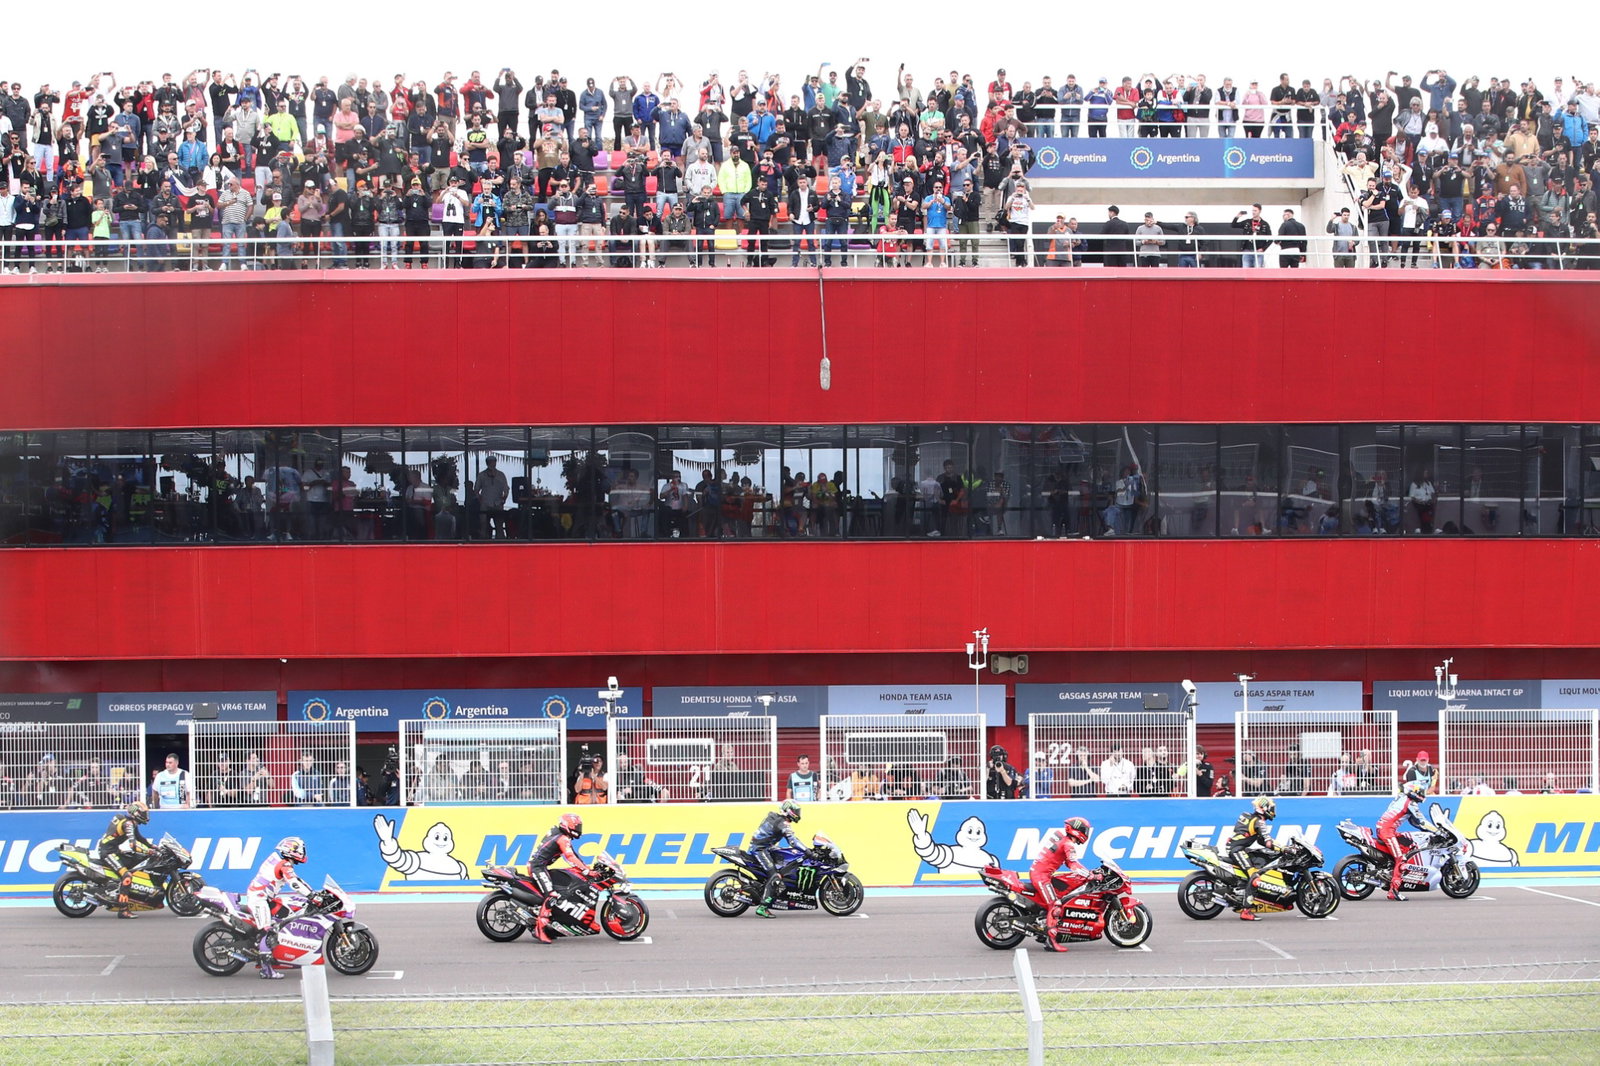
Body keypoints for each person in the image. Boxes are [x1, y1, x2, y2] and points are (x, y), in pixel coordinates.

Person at [247, 836, 310, 979]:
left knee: (285, 917)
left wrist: (312, 893)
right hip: (259, 899)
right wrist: (312, 896)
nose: (303, 852)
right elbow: (294, 884)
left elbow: (297, 880)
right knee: (267, 930)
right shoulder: (284, 864)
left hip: (265, 897)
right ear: (291, 850)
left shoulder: (280, 861)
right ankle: (266, 970)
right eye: (300, 849)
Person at [1029, 816, 1093, 952]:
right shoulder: (1068, 844)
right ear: (1078, 830)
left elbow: (1067, 862)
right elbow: (1074, 865)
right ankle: (1051, 941)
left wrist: (1088, 872)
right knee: (1054, 905)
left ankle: (1043, 929)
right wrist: (1090, 875)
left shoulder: (1062, 839)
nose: (1086, 833)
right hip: (1041, 876)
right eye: (1084, 830)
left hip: (1040, 873)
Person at [527, 812, 592, 943]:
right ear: (568, 826)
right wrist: (586, 871)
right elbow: (570, 857)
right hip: (537, 867)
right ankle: (540, 929)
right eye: (577, 827)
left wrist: (587, 868)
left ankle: (551, 926)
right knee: (552, 895)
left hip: (541, 866)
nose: (579, 830)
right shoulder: (562, 838)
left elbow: (573, 854)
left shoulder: (559, 834)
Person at [1226, 796, 1282, 921]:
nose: (1273, 811)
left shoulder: (1249, 817)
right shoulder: (1259, 822)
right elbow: (1267, 842)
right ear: (1264, 808)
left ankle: (1241, 891)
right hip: (1237, 850)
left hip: (1236, 847)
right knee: (1255, 877)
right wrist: (1283, 849)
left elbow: (1260, 840)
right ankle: (1246, 910)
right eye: (1271, 808)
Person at [1376, 781, 1434, 901]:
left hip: (1383, 828)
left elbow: (1414, 822)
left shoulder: (1400, 798)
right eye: (1420, 792)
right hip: (1387, 831)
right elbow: (1422, 821)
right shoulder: (1410, 803)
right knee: (1401, 859)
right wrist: (1438, 831)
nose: (1422, 794)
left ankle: (1390, 871)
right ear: (1414, 791)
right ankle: (1394, 891)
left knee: (1409, 844)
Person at [97, 799, 153, 918]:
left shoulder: (130, 822)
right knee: (127, 876)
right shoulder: (128, 824)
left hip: (114, 850)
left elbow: (140, 838)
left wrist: (154, 847)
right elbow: (133, 844)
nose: (146, 816)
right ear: (136, 813)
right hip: (108, 853)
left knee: (135, 860)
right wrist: (148, 851)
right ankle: (123, 910)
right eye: (144, 814)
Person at [751, 799, 805, 918]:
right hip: (760, 849)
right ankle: (763, 907)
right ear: (788, 811)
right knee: (775, 877)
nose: (798, 813)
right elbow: (793, 841)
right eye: (796, 811)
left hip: (766, 847)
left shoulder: (776, 818)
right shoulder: (782, 823)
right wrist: (807, 851)